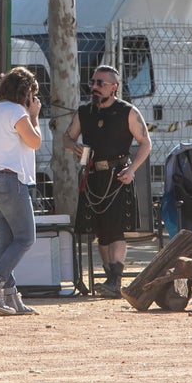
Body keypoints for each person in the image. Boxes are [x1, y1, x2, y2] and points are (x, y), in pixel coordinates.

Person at [63, 65, 152, 298]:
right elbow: (67, 138)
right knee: (101, 232)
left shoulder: (127, 112)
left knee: (116, 231)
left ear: (114, 87)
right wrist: (74, 147)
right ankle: (110, 279)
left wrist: (132, 170)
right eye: (93, 82)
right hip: (93, 177)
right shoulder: (84, 112)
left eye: (100, 83)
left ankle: (115, 280)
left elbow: (146, 143)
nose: (94, 87)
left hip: (118, 176)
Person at [0, 66, 44, 316]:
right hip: (10, 180)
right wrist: (34, 115)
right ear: (26, 93)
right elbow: (35, 141)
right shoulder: (17, 111)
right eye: (32, 94)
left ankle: (10, 296)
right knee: (26, 238)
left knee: (7, 241)